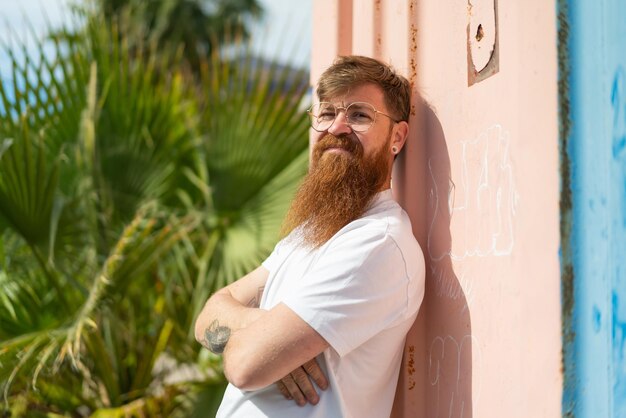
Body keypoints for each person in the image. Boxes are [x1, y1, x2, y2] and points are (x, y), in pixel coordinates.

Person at [194, 55, 425, 418]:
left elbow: (244, 366)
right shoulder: (309, 233)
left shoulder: (378, 244)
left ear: (397, 137)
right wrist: (265, 328)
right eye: (327, 113)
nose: (337, 127)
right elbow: (207, 318)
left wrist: (264, 344)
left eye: (359, 115)